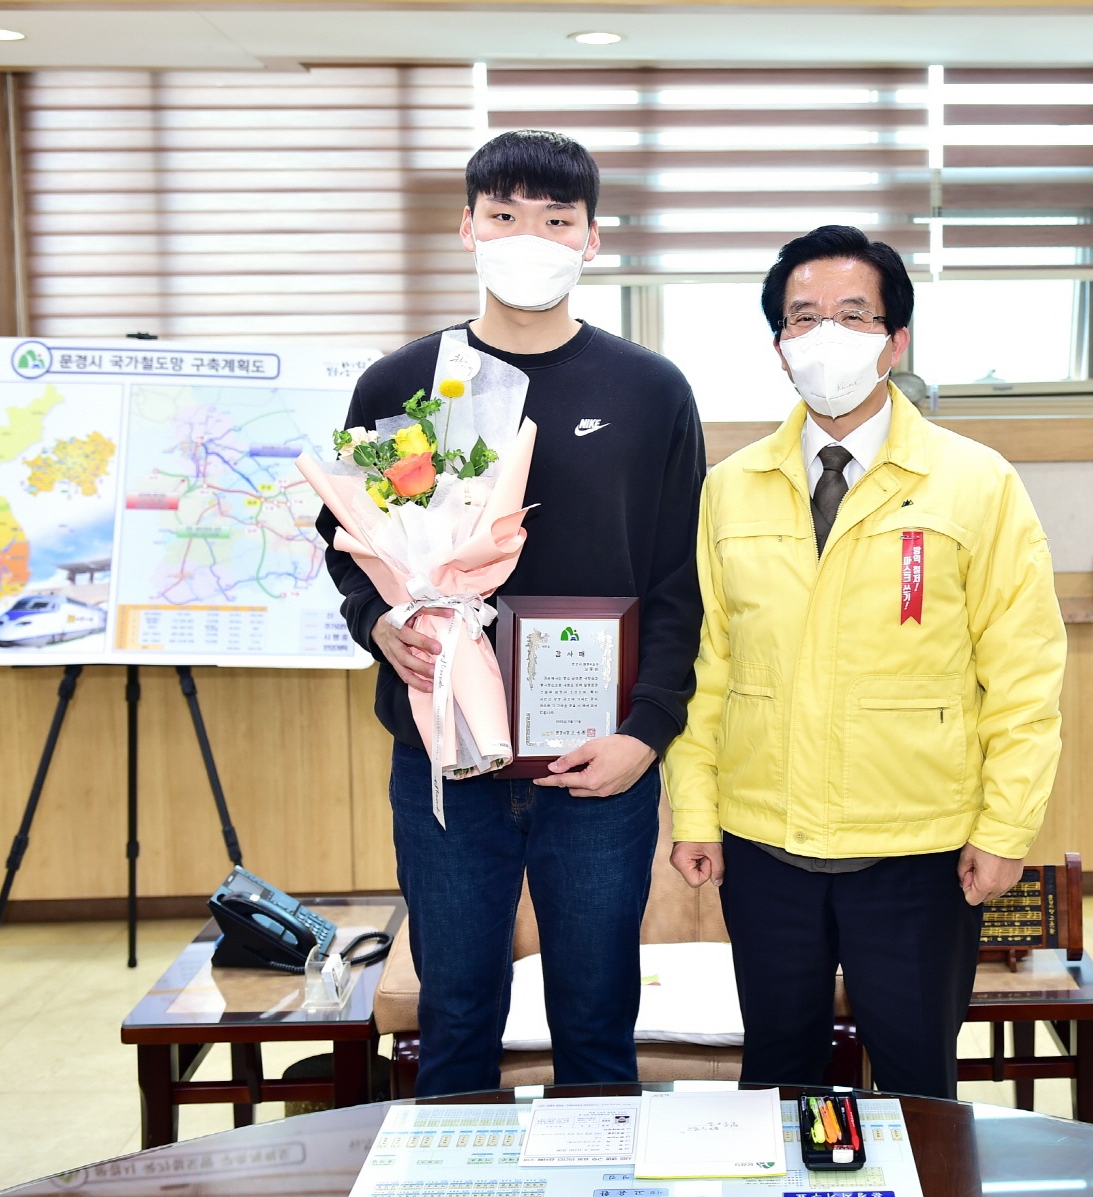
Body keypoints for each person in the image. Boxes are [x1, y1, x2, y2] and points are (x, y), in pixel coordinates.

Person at [319, 130, 705, 1097]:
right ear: (468, 229)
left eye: (556, 219)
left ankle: (596, 1161)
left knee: (597, 1020)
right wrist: (378, 623)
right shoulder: (403, 383)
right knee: (456, 1017)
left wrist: (647, 732)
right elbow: (348, 545)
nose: (529, 237)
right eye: (504, 215)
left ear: (592, 239)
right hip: (446, 753)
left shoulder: (650, 389)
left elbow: (679, 578)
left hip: (599, 761)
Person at [664, 225, 1066, 1099]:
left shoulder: (976, 482)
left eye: (853, 315)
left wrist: (1005, 830)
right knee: (778, 1078)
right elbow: (707, 669)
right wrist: (696, 811)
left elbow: (1024, 673)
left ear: (896, 340)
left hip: (919, 847)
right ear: (779, 346)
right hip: (766, 842)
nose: (826, 336)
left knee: (918, 1083)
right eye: (803, 317)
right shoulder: (730, 488)